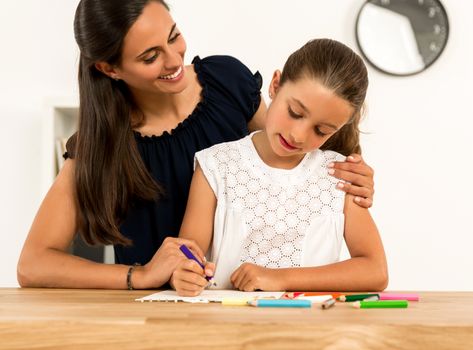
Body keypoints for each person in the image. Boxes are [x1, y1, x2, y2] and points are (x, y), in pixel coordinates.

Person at [17, 0, 375, 290]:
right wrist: (138, 276)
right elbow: (33, 264)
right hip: (163, 314)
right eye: (149, 56)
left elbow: (289, 153)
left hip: (243, 302)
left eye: (174, 37)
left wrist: (351, 180)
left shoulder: (227, 84)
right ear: (110, 69)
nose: (174, 61)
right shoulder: (102, 144)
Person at [172, 39, 387, 296]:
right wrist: (184, 274)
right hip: (228, 326)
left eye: (321, 130)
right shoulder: (216, 165)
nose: (298, 135)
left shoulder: (340, 176)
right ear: (275, 85)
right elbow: (187, 258)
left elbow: (375, 271)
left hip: (312, 328)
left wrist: (279, 278)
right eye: (295, 112)